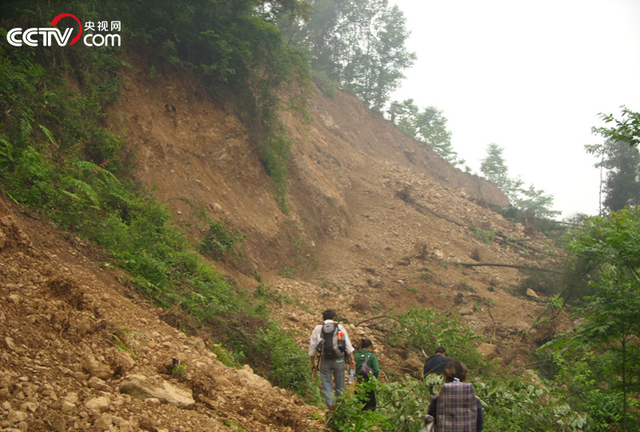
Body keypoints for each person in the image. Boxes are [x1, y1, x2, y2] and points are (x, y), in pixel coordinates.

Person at [309, 309, 356, 409]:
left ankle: (330, 406)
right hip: (339, 359)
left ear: (323, 318)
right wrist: (352, 359)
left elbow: (313, 346)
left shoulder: (318, 328)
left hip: (325, 360)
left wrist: (312, 363)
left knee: (326, 383)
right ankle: (340, 406)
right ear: (334, 318)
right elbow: (347, 344)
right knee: (340, 383)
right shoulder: (339, 327)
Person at [427, 360, 483, 432]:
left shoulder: (437, 400)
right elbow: (479, 426)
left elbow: (431, 422)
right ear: (465, 376)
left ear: (446, 377)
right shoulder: (475, 400)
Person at [354, 338, 380, 411]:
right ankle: (366, 420)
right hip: (368, 384)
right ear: (369, 346)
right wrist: (375, 380)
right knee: (371, 404)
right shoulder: (372, 356)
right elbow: (377, 370)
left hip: (357, 384)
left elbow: (351, 369)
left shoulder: (355, 356)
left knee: (358, 404)